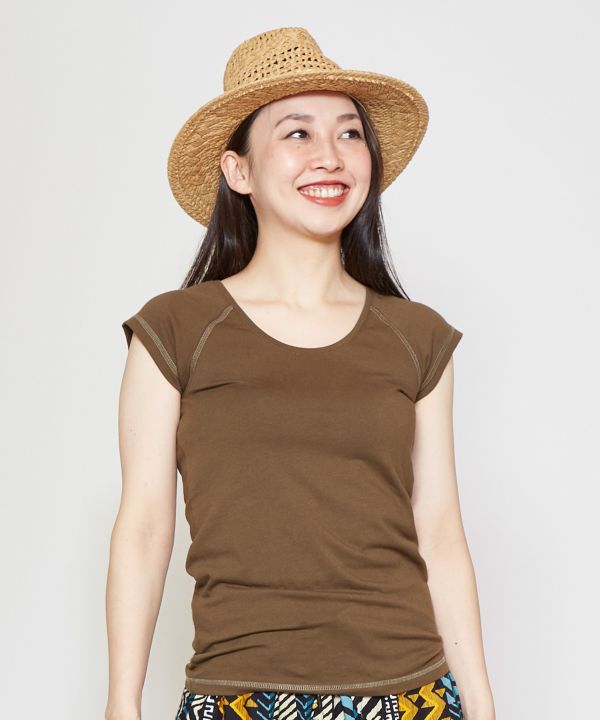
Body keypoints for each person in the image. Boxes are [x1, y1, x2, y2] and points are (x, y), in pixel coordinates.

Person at [106, 26, 495, 720]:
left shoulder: (417, 337)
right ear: (239, 172)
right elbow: (143, 527)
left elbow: (439, 533)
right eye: (297, 133)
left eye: (349, 133)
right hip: (237, 697)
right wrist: (121, 703)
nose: (330, 156)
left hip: (410, 697)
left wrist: (484, 706)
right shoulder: (175, 330)